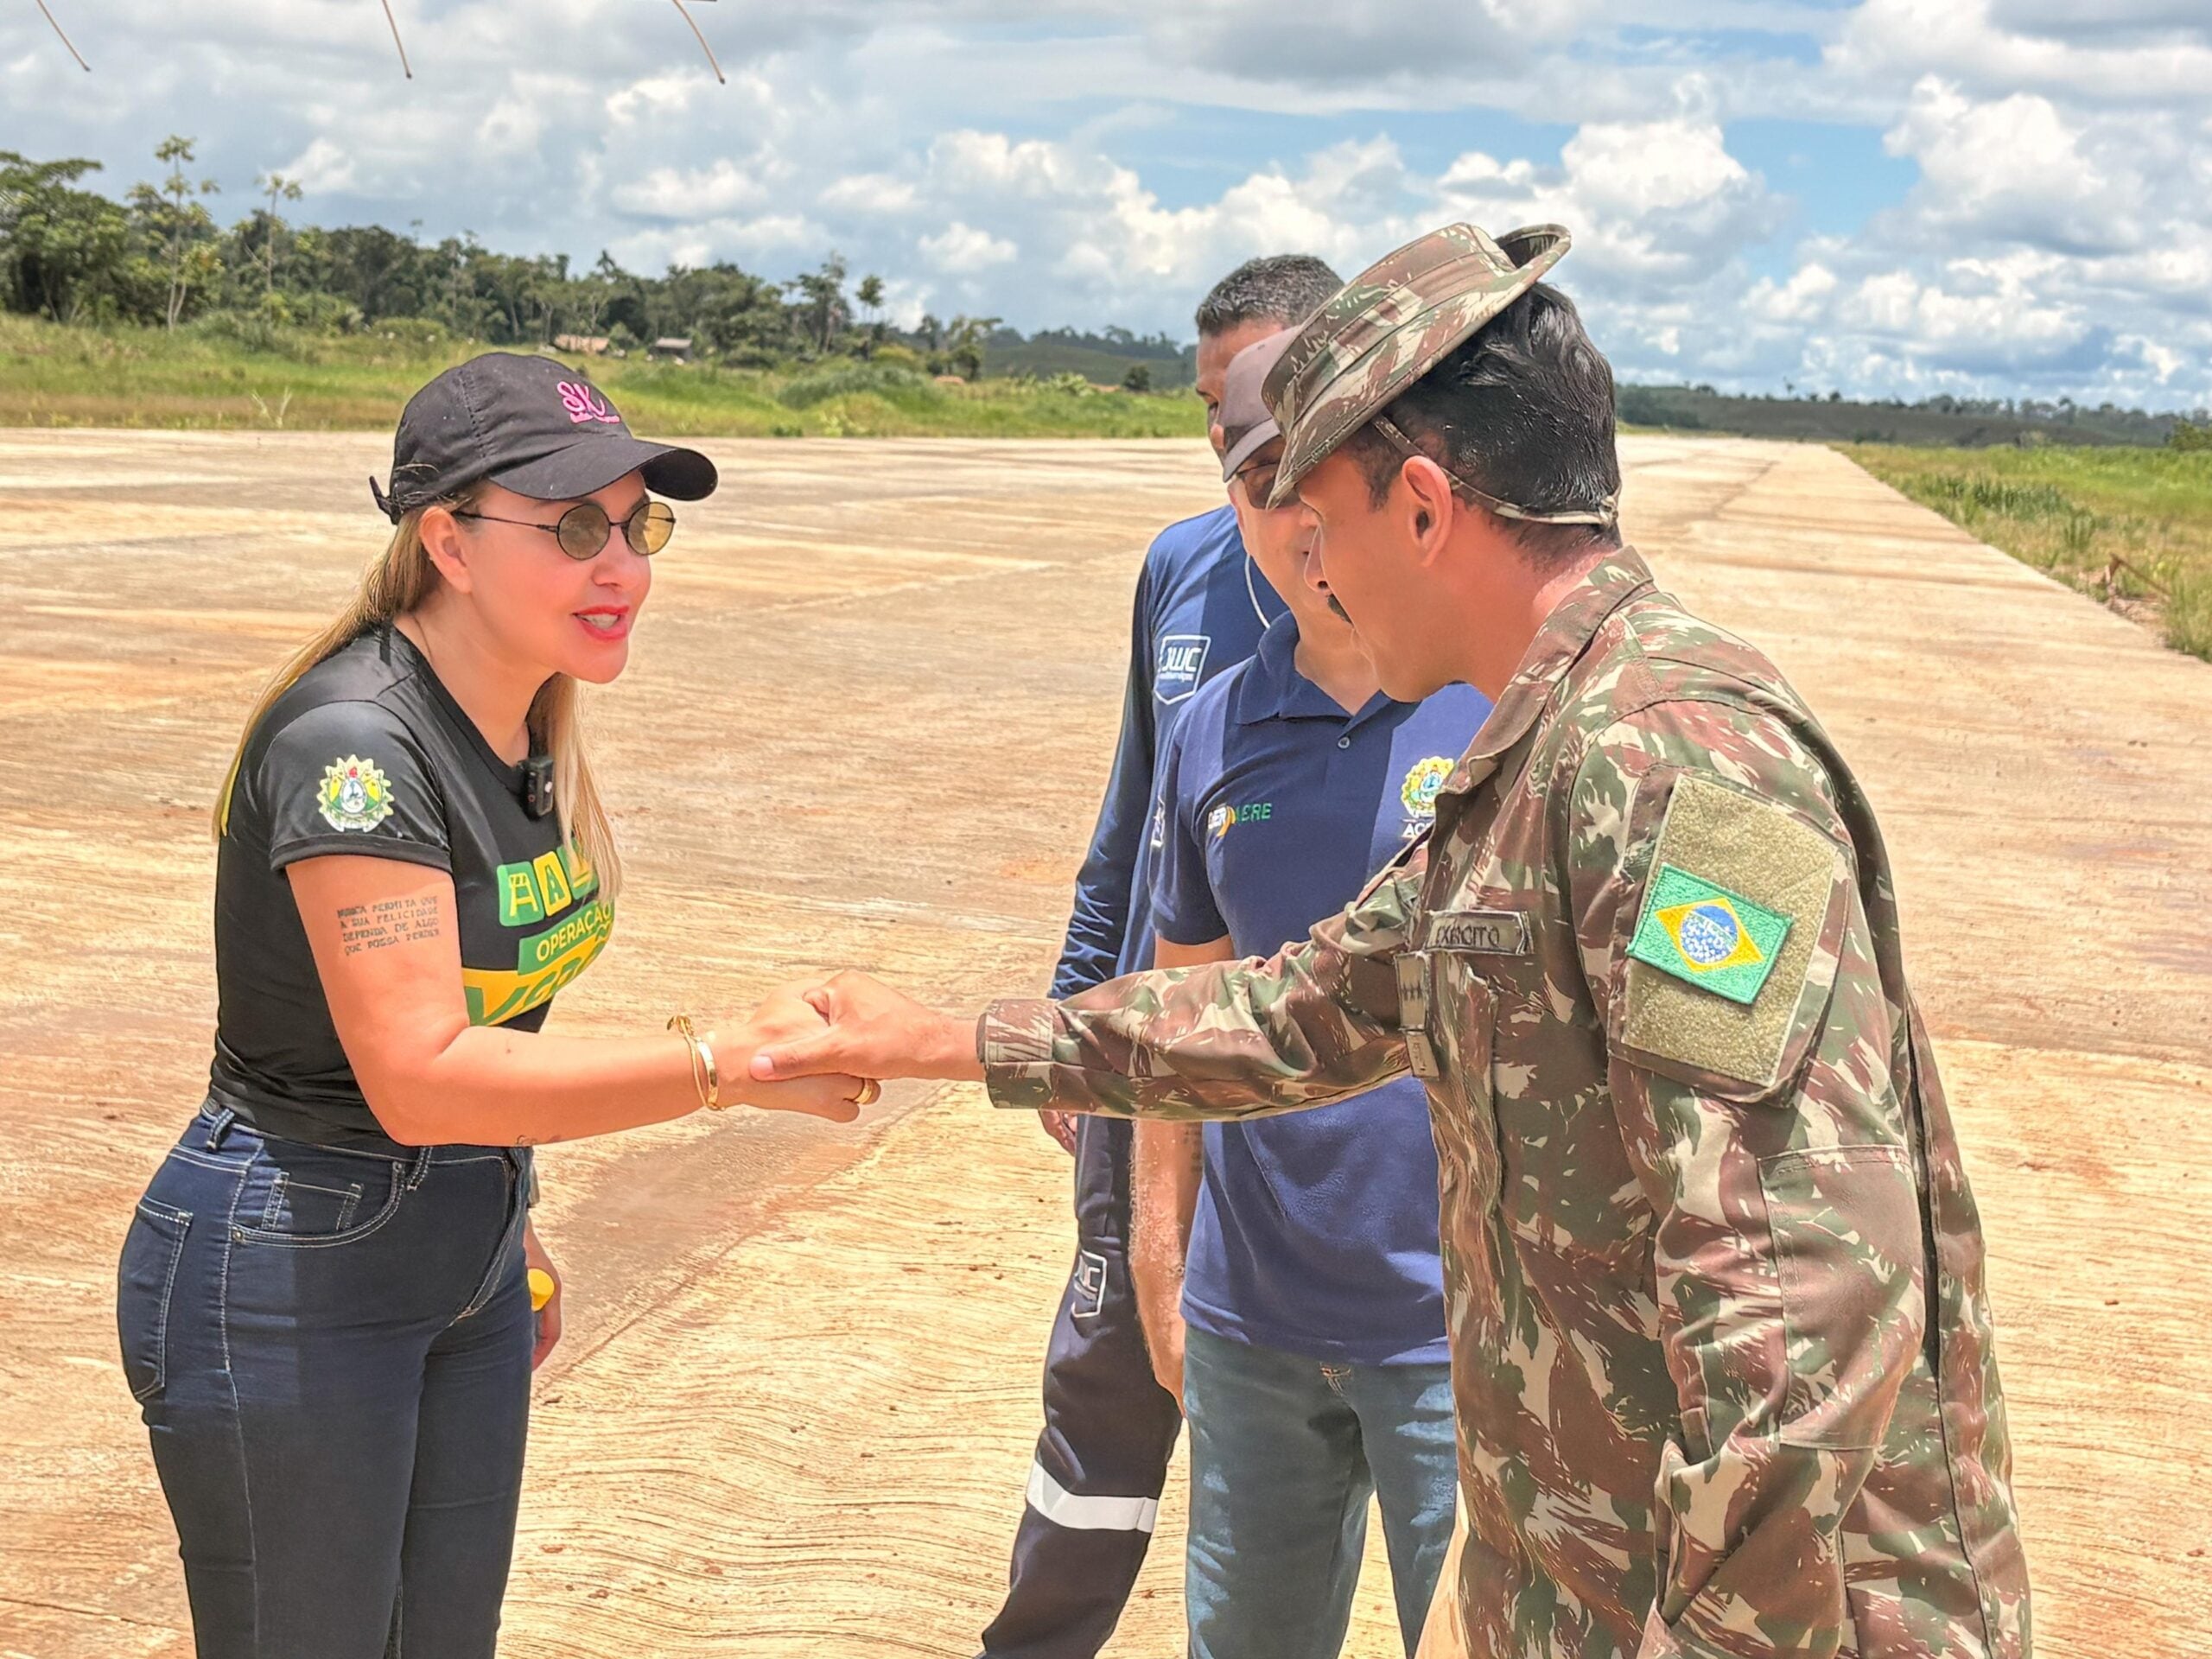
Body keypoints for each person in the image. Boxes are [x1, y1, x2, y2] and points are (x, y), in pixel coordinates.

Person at [754, 224, 2034, 1658]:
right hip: (1589, 1589)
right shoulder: (1533, 760)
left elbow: (1805, 1313)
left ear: (1422, 507)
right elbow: (1303, 1011)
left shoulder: (1677, 764)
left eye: (1325, 517)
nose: (1305, 560)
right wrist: (937, 1039)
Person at [114, 352, 864, 1659]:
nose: (622, 566)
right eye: (576, 528)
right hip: (297, 1258)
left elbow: (486, 1043)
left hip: (453, 1248)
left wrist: (504, 1227)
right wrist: (718, 1064)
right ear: (446, 543)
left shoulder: (520, 728)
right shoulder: (355, 749)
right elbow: (418, 1071)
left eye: (641, 526)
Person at [981, 255, 1341, 1659]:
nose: (1229, 436)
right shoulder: (1181, 570)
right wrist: (1081, 996)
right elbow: (1134, 812)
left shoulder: (1423, 588)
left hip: (1327, 1076)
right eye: (1211, 409)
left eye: (1261, 402)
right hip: (1155, 1061)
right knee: (1105, 1386)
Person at [1133, 328, 1489, 1657]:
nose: (1298, 519)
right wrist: (1161, 1256)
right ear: (1228, 504)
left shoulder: (1492, 704)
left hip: (1460, 1339)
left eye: (1319, 475)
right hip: (1254, 1324)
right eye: (1260, 482)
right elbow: (1179, 1010)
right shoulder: (1213, 722)